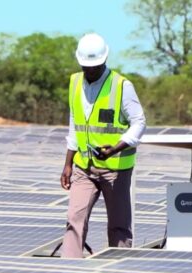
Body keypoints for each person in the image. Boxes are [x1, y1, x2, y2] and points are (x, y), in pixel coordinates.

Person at [60, 33, 146, 258]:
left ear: (105, 60)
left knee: (118, 226)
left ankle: (119, 272)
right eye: (86, 66)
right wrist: (67, 163)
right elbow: (74, 124)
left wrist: (116, 148)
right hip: (83, 166)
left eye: (95, 66)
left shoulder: (121, 86)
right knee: (74, 220)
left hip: (115, 168)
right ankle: (67, 272)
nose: (90, 71)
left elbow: (139, 122)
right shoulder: (75, 82)